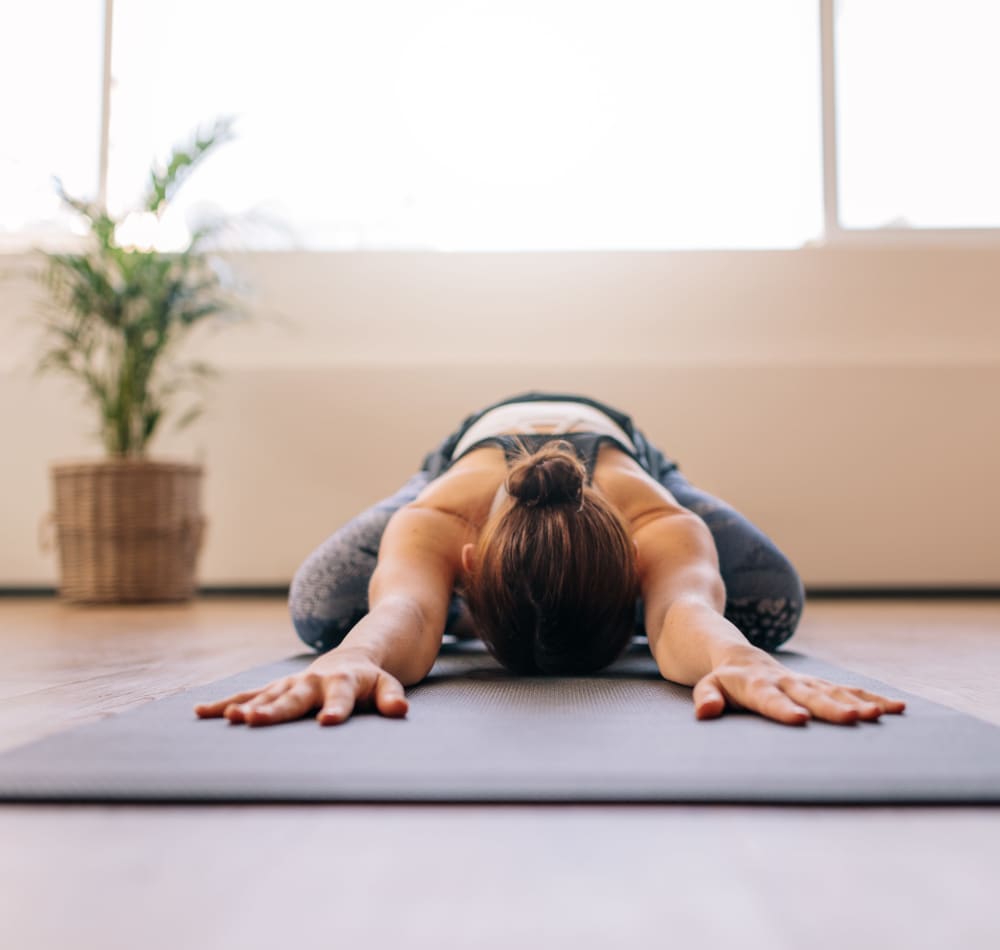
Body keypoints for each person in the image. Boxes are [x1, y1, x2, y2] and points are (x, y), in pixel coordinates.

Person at [194, 391, 904, 728]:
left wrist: (735, 657)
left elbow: (682, 611)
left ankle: (544, 600)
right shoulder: (440, 516)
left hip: (628, 452)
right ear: (465, 566)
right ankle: (523, 599)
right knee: (324, 610)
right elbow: (403, 611)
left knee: (768, 605)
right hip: (467, 455)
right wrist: (355, 654)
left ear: (636, 570)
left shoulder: (655, 518)